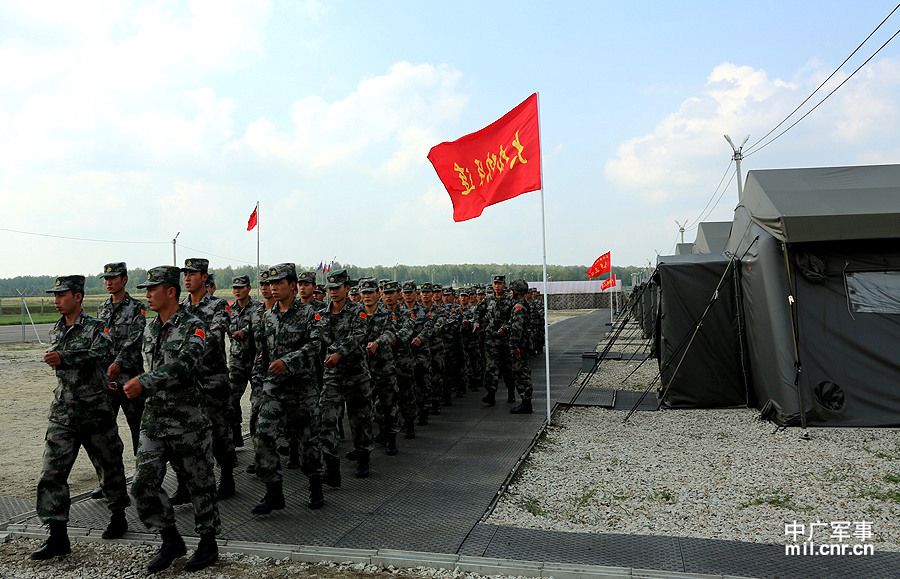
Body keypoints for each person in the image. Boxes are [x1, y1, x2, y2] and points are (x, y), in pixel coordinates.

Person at [123, 266, 220, 573]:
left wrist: (145, 382)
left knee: (199, 483)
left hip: (188, 419)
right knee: (142, 484)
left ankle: (208, 543)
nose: (148, 294)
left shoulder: (195, 326)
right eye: (146, 289)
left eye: (153, 289)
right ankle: (170, 539)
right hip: (155, 419)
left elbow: (185, 366)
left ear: (171, 292)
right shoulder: (151, 329)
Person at [32, 275, 129, 560]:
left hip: (95, 411)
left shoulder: (98, 328)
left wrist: (65, 356)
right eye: (55, 295)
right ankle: (58, 535)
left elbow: (103, 351)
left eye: (62, 295)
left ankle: (118, 515)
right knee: (51, 473)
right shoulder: (57, 329)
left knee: (109, 466)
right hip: (63, 413)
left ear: (78, 297)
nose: (56, 300)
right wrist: (61, 356)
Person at [252, 263, 324, 513]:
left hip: (302, 388)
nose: (272, 288)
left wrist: (288, 361)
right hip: (274, 390)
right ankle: (274, 492)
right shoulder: (267, 317)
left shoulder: (309, 314)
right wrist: (260, 382)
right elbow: (262, 354)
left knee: (308, 442)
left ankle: (315, 485)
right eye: (270, 284)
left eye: (278, 283)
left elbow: (315, 346)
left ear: (292, 286)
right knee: (263, 435)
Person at [180, 258, 236, 501]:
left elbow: (214, 336)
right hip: (188, 382)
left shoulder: (218, 305)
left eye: (193, 273)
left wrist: (191, 347)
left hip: (212, 380)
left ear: (204, 277)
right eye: (185, 274)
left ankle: (227, 475)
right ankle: (185, 484)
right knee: (184, 435)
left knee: (218, 433)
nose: (187, 278)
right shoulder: (181, 307)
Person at [91, 262, 146, 500]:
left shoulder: (137, 308)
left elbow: (134, 340)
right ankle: (108, 482)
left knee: (138, 431)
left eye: (113, 277)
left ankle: (143, 479)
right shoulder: (102, 308)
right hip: (107, 381)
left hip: (130, 379)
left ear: (124, 279)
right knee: (104, 433)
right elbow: (98, 339)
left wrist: (119, 362)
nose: (109, 282)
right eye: (106, 278)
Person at [313, 269, 374, 480]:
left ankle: (364, 457)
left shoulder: (359, 311)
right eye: (330, 288)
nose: (333, 292)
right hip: (332, 374)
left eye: (337, 288)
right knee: (327, 418)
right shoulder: (321, 313)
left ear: (347, 288)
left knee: (360, 419)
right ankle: (330, 466)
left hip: (356, 373)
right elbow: (318, 336)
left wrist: (339, 352)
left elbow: (358, 336)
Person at [359, 278, 400, 455]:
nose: (367, 296)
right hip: (363, 369)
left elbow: (390, 332)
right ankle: (365, 448)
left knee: (388, 405)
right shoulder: (356, 314)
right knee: (364, 409)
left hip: (384, 367)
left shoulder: (387, 314)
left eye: (370, 292)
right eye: (364, 293)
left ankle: (391, 439)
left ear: (378, 293)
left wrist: (377, 342)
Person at [382, 281, 418, 439]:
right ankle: (388, 434)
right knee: (386, 399)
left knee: (406, 394)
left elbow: (408, 329)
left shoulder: (406, 312)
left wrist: (393, 337)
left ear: (398, 294)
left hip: (402, 360)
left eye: (392, 293)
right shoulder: (379, 314)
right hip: (383, 363)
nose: (389, 297)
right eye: (386, 293)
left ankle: (409, 423)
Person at [227, 275, 257, 449]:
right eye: (235, 288)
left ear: (249, 288)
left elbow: (260, 325)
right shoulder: (230, 310)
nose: (237, 291)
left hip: (255, 360)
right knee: (231, 399)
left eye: (241, 287)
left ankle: (258, 445)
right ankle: (236, 434)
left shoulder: (257, 309)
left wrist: (246, 331)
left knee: (257, 403)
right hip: (237, 360)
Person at [476, 275, 515, 406]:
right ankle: (491, 394)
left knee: (507, 367)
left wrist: (506, 327)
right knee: (491, 367)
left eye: (500, 283)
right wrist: (476, 322)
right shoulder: (488, 299)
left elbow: (514, 318)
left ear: (504, 284)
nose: (497, 285)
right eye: (495, 283)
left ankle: (511, 392)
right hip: (491, 339)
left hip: (505, 339)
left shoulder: (510, 300)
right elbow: (478, 311)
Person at [400, 281, 434, 426]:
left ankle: (423, 411)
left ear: (416, 293)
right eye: (405, 293)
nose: (408, 295)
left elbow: (430, 327)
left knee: (422, 384)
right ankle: (408, 419)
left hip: (421, 353)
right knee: (406, 387)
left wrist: (420, 338)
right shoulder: (398, 312)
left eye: (410, 292)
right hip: (404, 354)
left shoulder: (425, 311)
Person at [508, 280, 534, 413]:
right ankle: (526, 401)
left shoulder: (518, 307)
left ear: (517, 292)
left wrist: (513, 346)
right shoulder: (523, 305)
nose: (510, 292)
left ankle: (526, 402)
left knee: (521, 374)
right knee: (523, 373)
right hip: (524, 345)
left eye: (512, 290)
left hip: (520, 347)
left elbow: (516, 329)